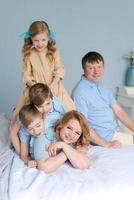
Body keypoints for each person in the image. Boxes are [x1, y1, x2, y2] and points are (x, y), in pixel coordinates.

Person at [12, 20, 75, 125]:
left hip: (54, 86)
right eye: (36, 40)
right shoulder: (29, 54)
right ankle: (13, 132)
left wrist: (52, 85)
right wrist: (37, 89)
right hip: (35, 89)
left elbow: (59, 70)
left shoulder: (54, 51)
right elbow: (26, 75)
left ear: (48, 38)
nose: (40, 43)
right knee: (19, 114)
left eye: (43, 40)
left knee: (71, 112)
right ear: (31, 39)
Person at [72, 51, 134, 146]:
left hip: (115, 129)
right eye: (91, 68)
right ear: (84, 70)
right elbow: (83, 125)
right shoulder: (80, 92)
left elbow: (119, 111)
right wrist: (107, 144)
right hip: (105, 137)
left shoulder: (102, 85)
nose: (96, 71)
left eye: (99, 67)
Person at [10, 83, 66, 155]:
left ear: (51, 99)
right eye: (40, 106)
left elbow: (67, 119)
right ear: (32, 105)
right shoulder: (27, 114)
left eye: (48, 103)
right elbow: (13, 133)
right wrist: (21, 154)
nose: (45, 109)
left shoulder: (56, 104)